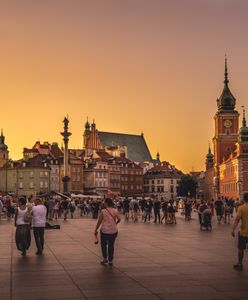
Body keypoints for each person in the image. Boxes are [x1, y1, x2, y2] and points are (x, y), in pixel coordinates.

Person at [94, 198, 121, 266]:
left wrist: (96, 229)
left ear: (106, 203)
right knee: (111, 246)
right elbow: (119, 219)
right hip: (113, 231)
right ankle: (111, 261)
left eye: (104, 202)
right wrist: (115, 223)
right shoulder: (115, 210)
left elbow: (99, 221)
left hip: (104, 231)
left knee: (103, 245)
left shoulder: (103, 211)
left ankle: (105, 258)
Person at [232, 193, 248, 271]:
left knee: (241, 248)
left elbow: (237, 219)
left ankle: (240, 264)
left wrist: (233, 229)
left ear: (244, 199)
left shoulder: (241, 208)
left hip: (243, 232)